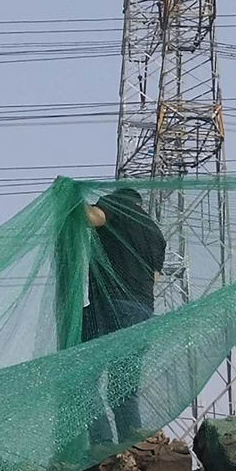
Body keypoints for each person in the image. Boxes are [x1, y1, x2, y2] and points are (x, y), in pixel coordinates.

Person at [83, 187, 166, 446]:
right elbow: (154, 277)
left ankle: (102, 444)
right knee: (123, 388)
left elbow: (92, 217)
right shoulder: (155, 233)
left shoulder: (117, 209)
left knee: (80, 379)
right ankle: (132, 445)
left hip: (111, 306)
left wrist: (70, 203)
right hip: (142, 312)